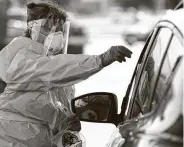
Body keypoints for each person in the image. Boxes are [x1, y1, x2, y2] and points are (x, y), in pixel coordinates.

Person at [0, 0, 133, 146]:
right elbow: (51, 70)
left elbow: (46, 107)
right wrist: (100, 60)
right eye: (50, 27)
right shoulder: (18, 56)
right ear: (34, 28)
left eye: (61, 29)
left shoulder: (54, 72)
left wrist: (66, 122)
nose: (58, 34)